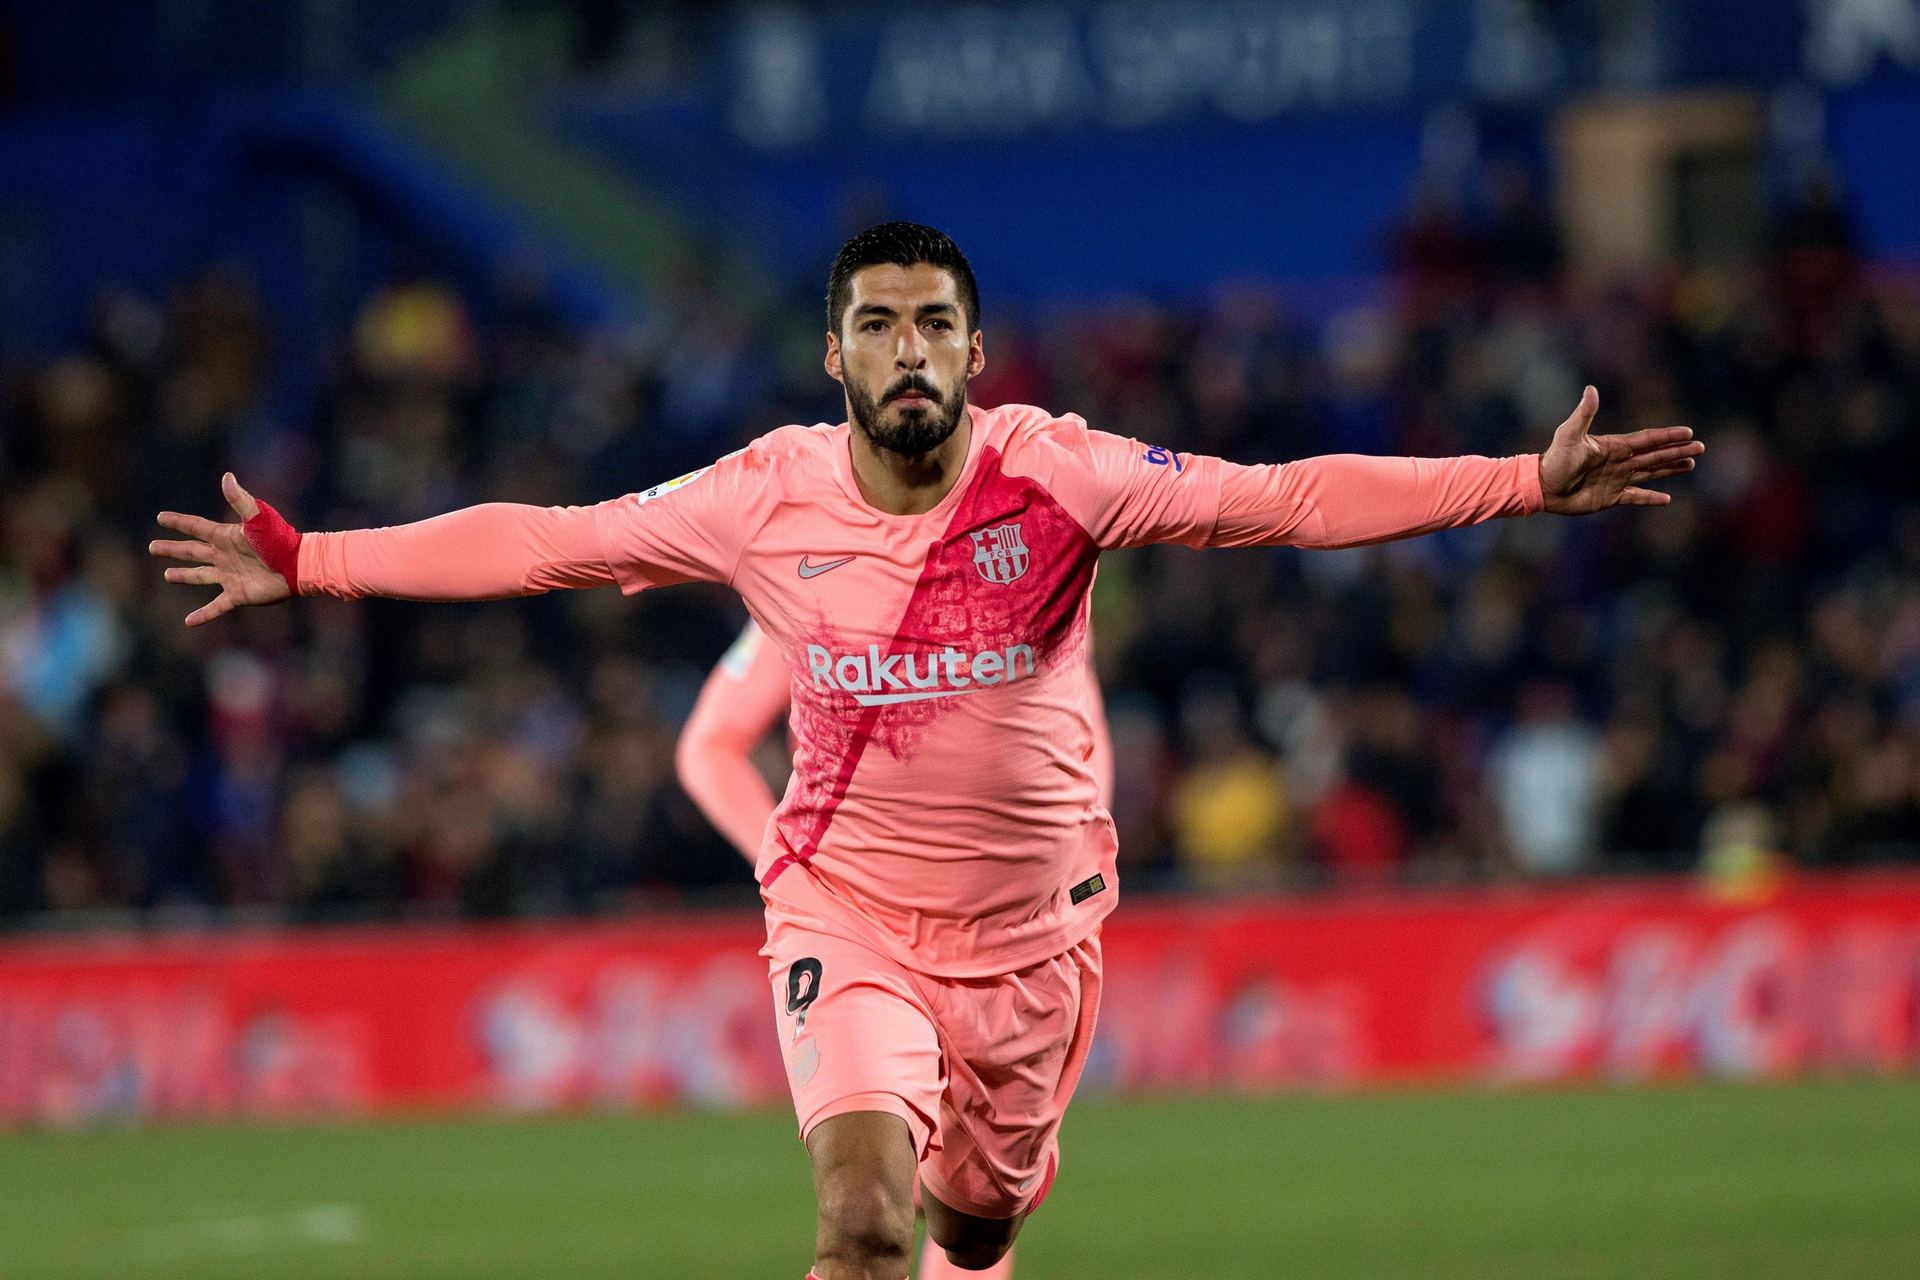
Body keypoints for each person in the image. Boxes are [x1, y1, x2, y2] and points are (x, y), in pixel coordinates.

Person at [150, 222, 1702, 1280]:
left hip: (1036, 941)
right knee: (864, 1227)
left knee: (971, 1228)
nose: (909, 348)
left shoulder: (1063, 477)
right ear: (835, 355)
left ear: (974, 350)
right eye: (878, 324)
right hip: (847, 917)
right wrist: (315, 560)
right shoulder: (763, 494)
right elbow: (547, 542)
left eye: (934, 324)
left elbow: (1284, 498)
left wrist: (1518, 479)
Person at [674, 615, 1113, 1280]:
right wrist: (799, 870)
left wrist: (1047, 891)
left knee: (969, 1210)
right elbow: (709, 746)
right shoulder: (808, 576)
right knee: (871, 1202)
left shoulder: (1026, 569)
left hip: (1007, 934)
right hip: (865, 931)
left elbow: (1073, 758)